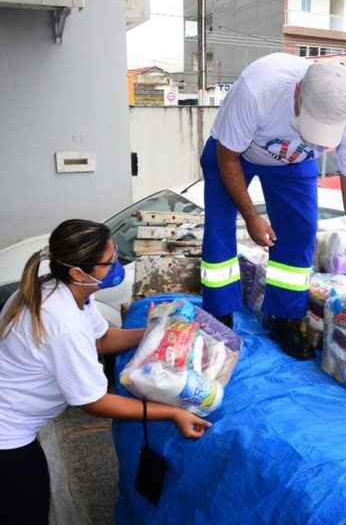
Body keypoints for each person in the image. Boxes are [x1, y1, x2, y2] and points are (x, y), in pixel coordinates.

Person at [0, 219, 212, 525]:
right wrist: (172, 413)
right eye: (109, 261)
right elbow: (94, 401)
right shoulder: (62, 322)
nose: (116, 265)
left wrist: (159, 331)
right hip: (8, 437)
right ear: (77, 271)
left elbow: (101, 339)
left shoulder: (64, 291)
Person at [200, 52, 346, 359]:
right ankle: (219, 318)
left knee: (300, 234)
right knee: (220, 230)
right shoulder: (259, 88)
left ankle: (285, 319)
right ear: (298, 93)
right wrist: (251, 216)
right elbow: (227, 157)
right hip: (234, 154)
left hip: (293, 163)